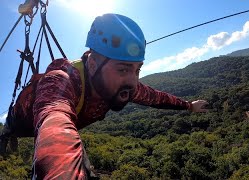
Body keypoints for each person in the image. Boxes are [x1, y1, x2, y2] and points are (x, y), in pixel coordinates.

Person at [31, 13, 209, 179]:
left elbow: (156, 97)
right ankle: (6, 133)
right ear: (92, 65)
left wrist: (189, 105)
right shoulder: (61, 81)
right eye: (123, 69)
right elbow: (54, 117)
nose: (133, 81)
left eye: (137, 70)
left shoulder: (123, 85)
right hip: (26, 122)